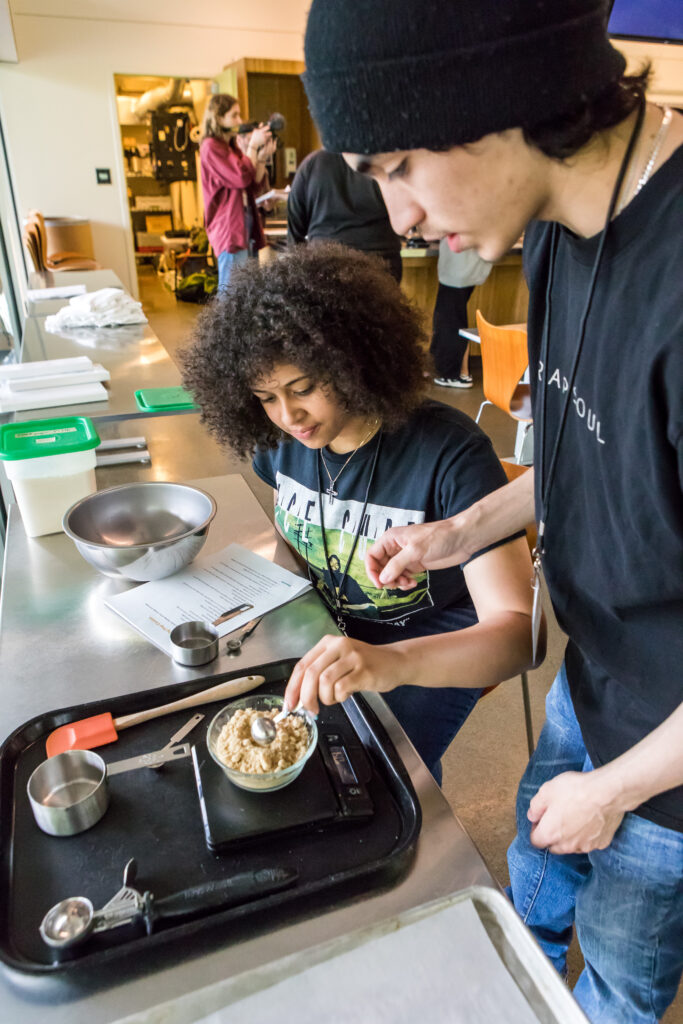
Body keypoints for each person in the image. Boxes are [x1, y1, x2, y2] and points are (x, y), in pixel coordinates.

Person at [299, 2, 683, 1021]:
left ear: (491, 99)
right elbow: (590, 451)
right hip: (591, 681)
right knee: (529, 883)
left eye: (395, 168)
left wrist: (615, 790)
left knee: (615, 978)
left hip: (667, 768)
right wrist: (460, 533)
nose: (396, 220)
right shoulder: (556, 224)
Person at [181, 243, 538, 785]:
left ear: (352, 363)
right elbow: (294, 535)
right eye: (265, 397)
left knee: (377, 772)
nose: (289, 415)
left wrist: (391, 664)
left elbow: (519, 637)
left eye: (303, 388)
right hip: (330, 628)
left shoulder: (448, 450)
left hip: (434, 637)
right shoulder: (280, 443)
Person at [287, 149, 403, 282]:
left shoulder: (311, 164)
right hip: (382, 267)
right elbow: (401, 215)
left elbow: (294, 231)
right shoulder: (383, 162)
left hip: (323, 269)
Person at [199, 93, 276, 290]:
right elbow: (240, 176)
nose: (239, 121)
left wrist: (262, 156)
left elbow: (252, 183)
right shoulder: (211, 147)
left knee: (246, 294)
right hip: (230, 230)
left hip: (245, 226)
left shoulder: (229, 146)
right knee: (231, 295)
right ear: (218, 117)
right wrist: (252, 145)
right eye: (234, 115)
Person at [432, 242, 492, 389]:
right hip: (466, 263)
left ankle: (455, 374)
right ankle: (454, 370)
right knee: (453, 315)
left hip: (459, 265)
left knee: (451, 318)